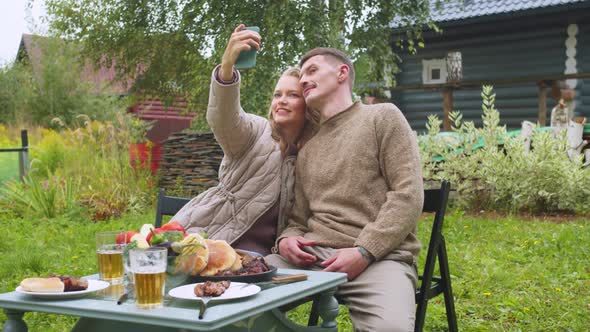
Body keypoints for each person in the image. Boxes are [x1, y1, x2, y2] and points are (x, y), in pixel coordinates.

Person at [265, 48, 424, 332]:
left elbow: (407, 195)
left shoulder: (382, 117)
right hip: (312, 261)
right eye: (301, 75)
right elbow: (299, 219)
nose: (303, 80)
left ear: (342, 73)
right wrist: (286, 240)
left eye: (312, 71)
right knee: (236, 298)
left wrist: (364, 251)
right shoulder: (308, 146)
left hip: (378, 259)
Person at [171, 25, 319, 256]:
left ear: (309, 103)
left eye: (292, 95)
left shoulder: (314, 152)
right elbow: (224, 118)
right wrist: (227, 66)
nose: (281, 101)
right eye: (277, 94)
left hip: (264, 259)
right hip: (208, 237)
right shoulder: (257, 132)